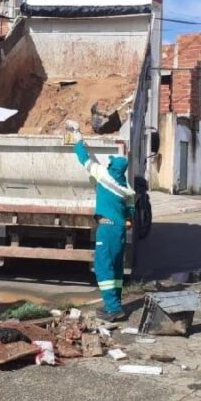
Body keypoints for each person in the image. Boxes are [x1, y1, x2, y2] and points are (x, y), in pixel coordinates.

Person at [70, 124, 136, 322]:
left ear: (111, 167)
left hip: (106, 229)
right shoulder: (128, 189)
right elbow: (131, 212)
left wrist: (77, 137)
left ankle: (113, 309)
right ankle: (115, 304)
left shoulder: (103, 175)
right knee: (116, 267)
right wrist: (127, 221)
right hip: (120, 230)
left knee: (103, 268)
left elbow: (84, 159)